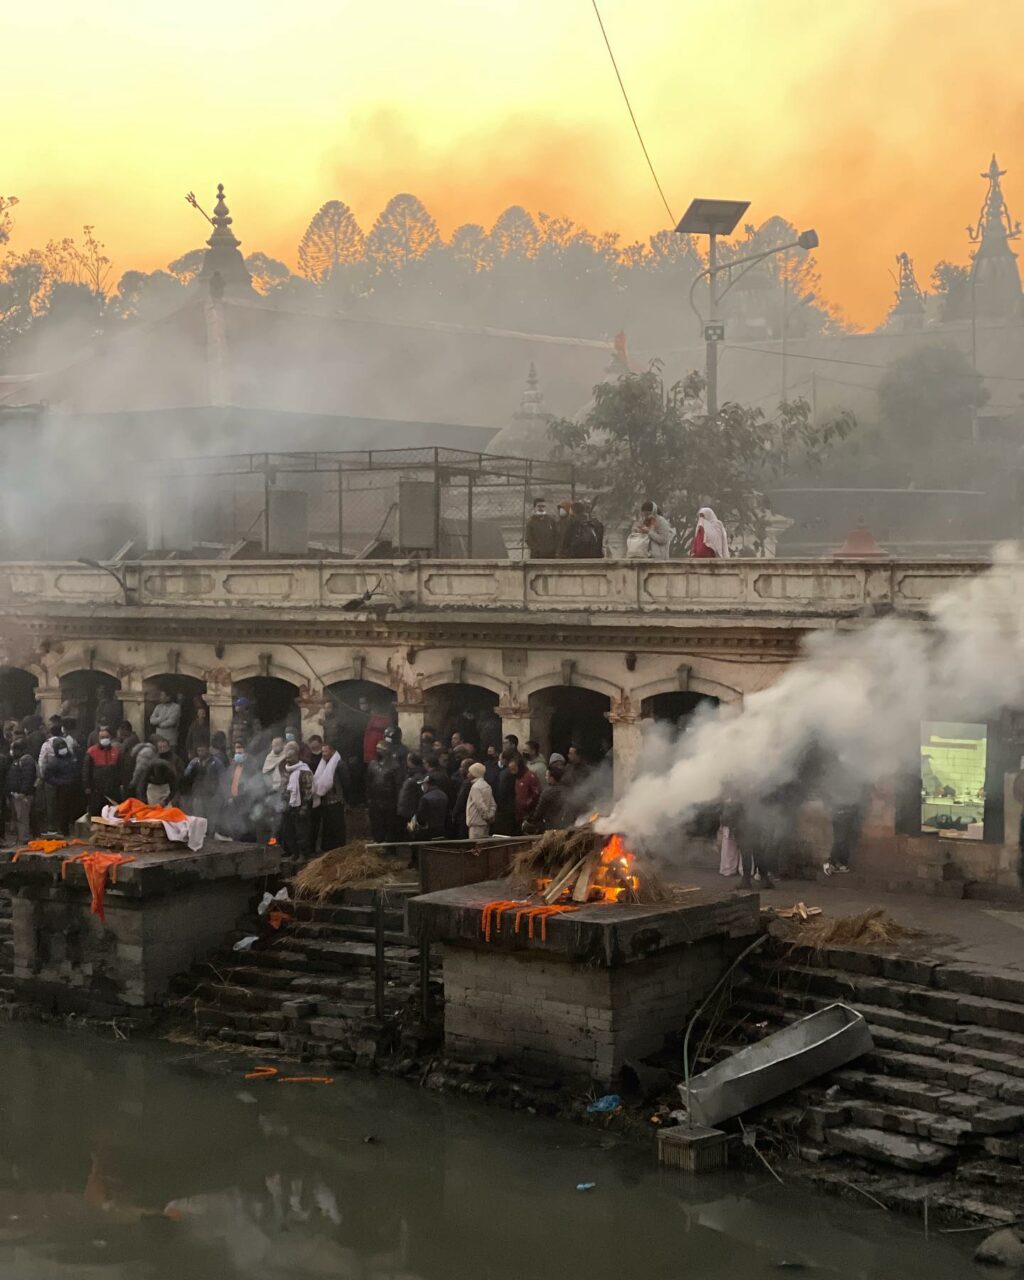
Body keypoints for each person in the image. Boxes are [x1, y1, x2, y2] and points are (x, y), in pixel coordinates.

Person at [310, 741, 352, 854]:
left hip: (336, 800)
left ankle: (339, 850)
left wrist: (346, 800)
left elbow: (346, 783)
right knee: (327, 828)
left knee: (337, 826)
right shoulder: (323, 764)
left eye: (325, 751)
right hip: (325, 801)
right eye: (322, 752)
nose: (323, 754)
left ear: (332, 751)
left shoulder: (339, 764)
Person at [277, 742, 313, 861]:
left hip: (299, 807)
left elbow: (308, 790)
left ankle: (304, 854)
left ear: (297, 755)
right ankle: (294, 852)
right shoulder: (285, 770)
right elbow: (282, 787)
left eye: (290, 757)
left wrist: (304, 807)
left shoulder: (304, 771)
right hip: (287, 807)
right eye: (286, 757)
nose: (288, 759)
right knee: (288, 832)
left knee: (301, 833)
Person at [217, 741, 259, 842]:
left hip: (244, 803)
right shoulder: (232, 767)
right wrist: (228, 797)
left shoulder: (250, 768)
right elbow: (226, 782)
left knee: (246, 828)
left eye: (240, 754)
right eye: (236, 753)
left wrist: (238, 798)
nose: (237, 756)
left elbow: (251, 787)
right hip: (232, 802)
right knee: (234, 826)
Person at [42, 737, 80, 836]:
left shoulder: (72, 757)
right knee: (62, 810)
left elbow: (76, 770)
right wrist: (60, 782)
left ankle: (71, 827)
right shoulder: (53, 762)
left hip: (73, 787)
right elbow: (48, 777)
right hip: (61, 789)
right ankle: (63, 829)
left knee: (73, 808)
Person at [365, 740, 400, 844]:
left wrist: (396, 801)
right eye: (377, 748)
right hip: (375, 801)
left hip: (389, 801)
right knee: (377, 825)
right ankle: (378, 844)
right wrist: (369, 799)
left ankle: (390, 848)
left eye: (380, 749)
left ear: (386, 750)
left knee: (390, 826)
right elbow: (368, 782)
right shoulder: (372, 764)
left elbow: (397, 784)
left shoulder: (394, 765)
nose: (377, 751)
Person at [823, 796, 868, 877]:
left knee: (846, 840)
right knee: (840, 839)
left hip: (848, 813)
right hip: (841, 814)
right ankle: (831, 862)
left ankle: (841, 864)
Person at [83, 728, 121, 816]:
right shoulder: (91, 752)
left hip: (112, 790)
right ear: (98, 738)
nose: (105, 739)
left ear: (110, 737)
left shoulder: (115, 751)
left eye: (107, 737)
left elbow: (119, 769)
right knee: (96, 814)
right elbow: (86, 771)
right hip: (96, 790)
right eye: (102, 737)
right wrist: (87, 786)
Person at [182, 742, 224, 821]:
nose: (201, 753)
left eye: (203, 750)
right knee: (198, 818)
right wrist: (193, 766)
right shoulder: (195, 762)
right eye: (199, 751)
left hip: (211, 794)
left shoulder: (216, 762)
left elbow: (223, 776)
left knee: (211, 818)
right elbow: (186, 774)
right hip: (198, 794)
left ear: (208, 750)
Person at [524, 764, 570, 833]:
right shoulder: (568, 790)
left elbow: (539, 812)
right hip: (565, 826)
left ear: (552, 778)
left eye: (547, 775)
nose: (545, 777)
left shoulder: (547, 793)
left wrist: (532, 822)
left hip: (550, 827)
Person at [6, 737, 36, 844]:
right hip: (17, 794)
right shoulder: (19, 760)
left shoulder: (26, 760)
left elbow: (27, 777)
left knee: (22, 818)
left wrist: (23, 792)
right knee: (19, 818)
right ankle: (22, 838)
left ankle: (24, 839)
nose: (11, 752)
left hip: (23, 795)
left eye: (13, 750)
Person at [136, 737, 179, 807]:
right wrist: (144, 803)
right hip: (152, 791)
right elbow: (141, 786)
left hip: (166, 791)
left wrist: (166, 801)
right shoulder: (150, 766)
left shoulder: (171, 767)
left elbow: (175, 787)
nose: (162, 749)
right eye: (160, 747)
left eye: (164, 747)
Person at [413, 772, 449, 842]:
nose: (422, 786)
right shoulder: (443, 794)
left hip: (428, 830)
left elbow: (421, 818)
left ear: (427, 784)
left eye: (423, 784)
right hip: (442, 828)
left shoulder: (425, 798)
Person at [465, 762, 496, 840]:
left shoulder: (475, 787)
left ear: (474, 773)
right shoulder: (487, 785)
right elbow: (493, 804)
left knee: (476, 847)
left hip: (476, 823)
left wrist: (486, 816)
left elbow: (480, 805)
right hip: (485, 823)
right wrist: (490, 816)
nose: (468, 774)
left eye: (470, 772)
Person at [397, 752, 427, 828]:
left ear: (411, 762)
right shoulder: (411, 773)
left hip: (411, 811)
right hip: (407, 809)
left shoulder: (418, 776)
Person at [493, 750, 519, 836]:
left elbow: (501, 792)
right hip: (514, 807)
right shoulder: (517, 772)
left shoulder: (505, 774)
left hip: (505, 809)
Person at [511, 754, 541, 829]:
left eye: (514, 769)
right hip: (518, 813)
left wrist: (526, 804)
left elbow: (536, 794)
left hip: (528, 814)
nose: (512, 772)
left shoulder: (530, 776)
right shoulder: (516, 777)